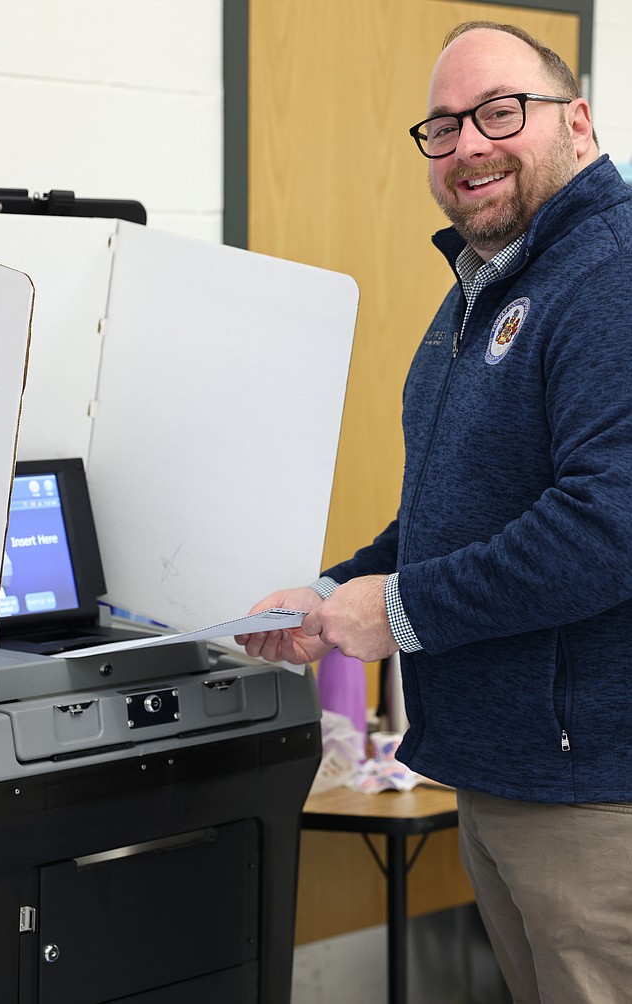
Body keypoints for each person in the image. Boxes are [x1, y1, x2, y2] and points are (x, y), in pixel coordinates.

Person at [236, 20, 632, 1003]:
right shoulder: (480, 289)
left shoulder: (610, 276)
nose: (468, 145)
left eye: (500, 111)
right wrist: (329, 595)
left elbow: (606, 527)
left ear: (575, 122)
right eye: (443, 126)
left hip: (596, 798)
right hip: (506, 776)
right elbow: (448, 513)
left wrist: (398, 608)